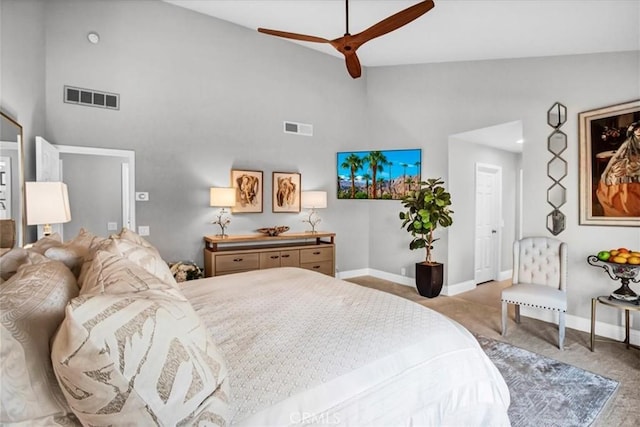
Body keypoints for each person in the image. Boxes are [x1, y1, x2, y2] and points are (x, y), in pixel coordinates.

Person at [596, 121, 640, 216]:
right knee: (617, 173)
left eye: (639, 128)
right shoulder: (628, 142)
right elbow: (615, 157)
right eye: (636, 129)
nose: (638, 131)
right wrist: (605, 172)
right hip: (627, 163)